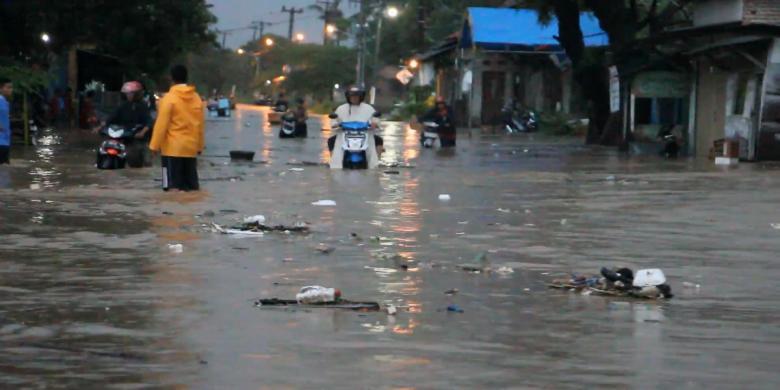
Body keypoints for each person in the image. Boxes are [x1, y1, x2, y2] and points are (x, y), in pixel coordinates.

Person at [149, 65, 205, 192]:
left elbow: (161, 125)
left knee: (170, 188)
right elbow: (200, 124)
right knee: (191, 189)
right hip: (190, 149)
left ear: (171, 79)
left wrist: (154, 146)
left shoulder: (168, 99)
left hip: (171, 151)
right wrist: (200, 146)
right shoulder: (196, 98)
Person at [100, 81, 153, 167]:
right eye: (128, 94)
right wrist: (100, 126)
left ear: (137, 94)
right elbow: (111, 117)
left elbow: (149, 122)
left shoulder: (143, 106)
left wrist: (142, 132)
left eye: (131, 93)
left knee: (146, 161)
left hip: (139, 139)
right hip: (124, 137)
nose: (129, 95)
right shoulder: (123, 106)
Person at [0, 78, 12, 164]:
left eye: (11, 87)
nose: (10, 89)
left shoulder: (5, 102)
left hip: (5, 140)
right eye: (8, 87)